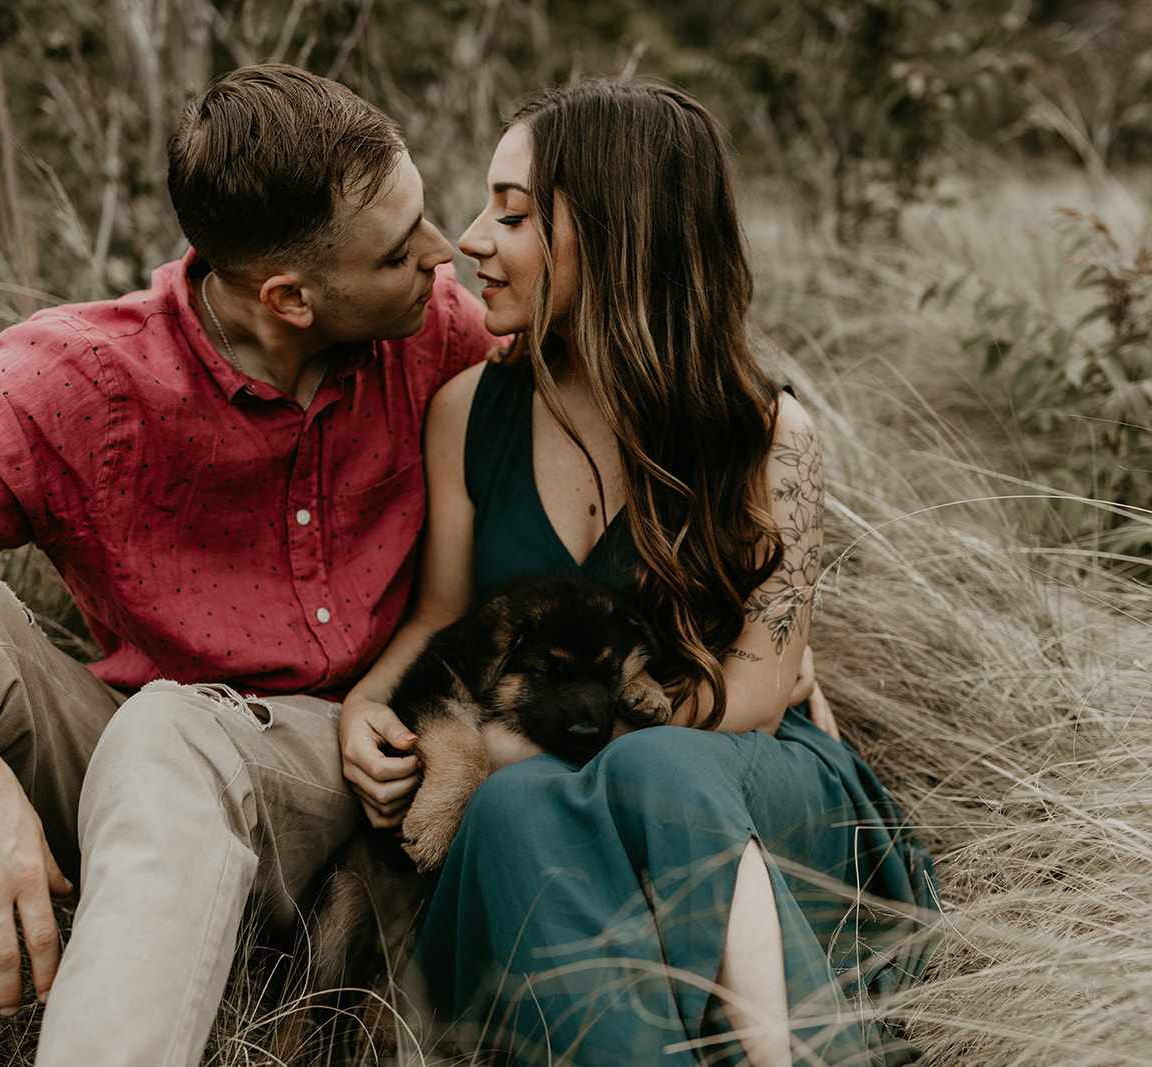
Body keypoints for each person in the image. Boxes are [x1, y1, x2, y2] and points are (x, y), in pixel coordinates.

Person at [0, 64, 498, 1065]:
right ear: (291, 296)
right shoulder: (88, 380)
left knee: (175, 726)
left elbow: (626, 409)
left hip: (341, 762)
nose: (443, 257)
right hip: (130, 769)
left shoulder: (436, 329)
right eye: (402, 251)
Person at [341, 79, 939, 1066]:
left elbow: (749, 699)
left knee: (648, 764)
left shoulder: (768, 438)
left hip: (747, 786)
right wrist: (369, 703)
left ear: (617, 237)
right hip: (557, 780)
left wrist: (503, 742)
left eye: (514, 213)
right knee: (514, 807)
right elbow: (442, 616)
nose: (471, 239)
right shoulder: (467, 411)